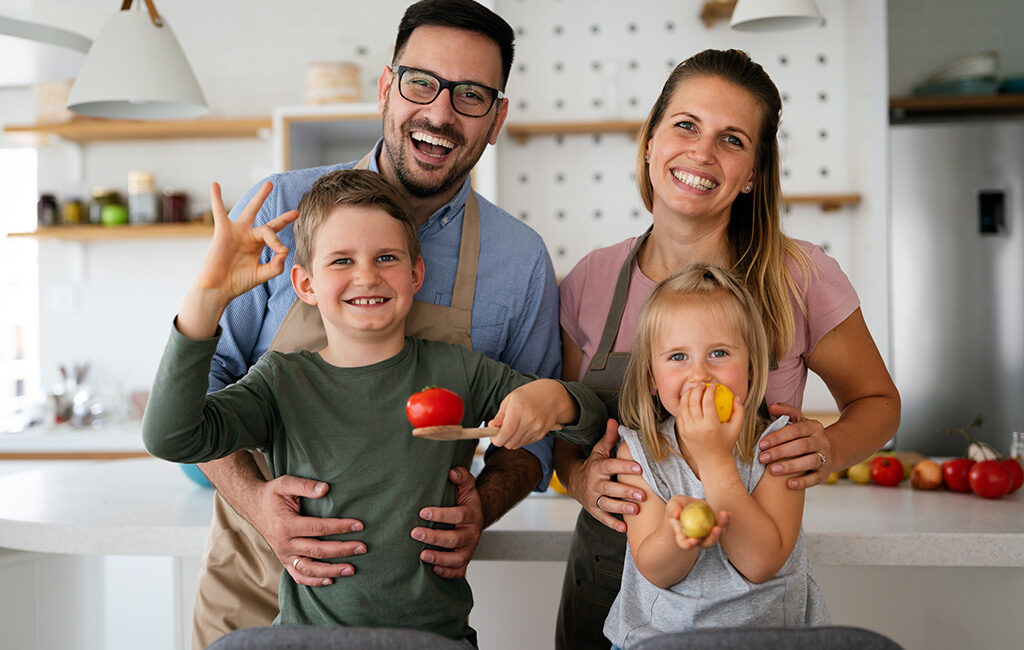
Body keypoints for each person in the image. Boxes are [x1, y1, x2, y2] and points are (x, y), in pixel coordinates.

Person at [190, 2, 563, 647]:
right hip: (258, 570)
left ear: (497, 119)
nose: (441, 114)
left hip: (414, 606)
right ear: (388, 88)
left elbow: (533, 438)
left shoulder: (518, 260)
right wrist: (257, 505)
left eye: (471, 95)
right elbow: (204, 383)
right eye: (422, 83)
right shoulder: (279, 208)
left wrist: (483, 506)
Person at [143, 169, 606, 645]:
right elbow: (171, 437)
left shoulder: (462, 372)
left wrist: (560, 399)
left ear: (415, 274)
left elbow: (585, 423)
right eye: (341, 260)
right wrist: (206, 299)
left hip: (437, 641)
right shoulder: (280, 382)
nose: (366, 275)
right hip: (308, 641)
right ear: (303, 284)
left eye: (386, 257)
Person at [553, 48, 900, 649]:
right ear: (651, 140)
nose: (702, 154)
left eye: (732, 140)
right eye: (685, 125)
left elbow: (877, 402)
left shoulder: (800, 275)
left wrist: (826, 447)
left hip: (753, 603)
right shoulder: (592, 278)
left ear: (755, 173)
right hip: (614, 582)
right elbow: (565, 429)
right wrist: (581, 479)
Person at [603, 264, 829, 649]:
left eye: (719, 353)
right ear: (651, 380)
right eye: (677, 357)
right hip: (658, 642)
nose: (700, 374)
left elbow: (760, 563)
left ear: (751, 367)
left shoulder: (778, 447)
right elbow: (655, 569)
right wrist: (679, 538)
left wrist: (715, 461)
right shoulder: (640, 452)